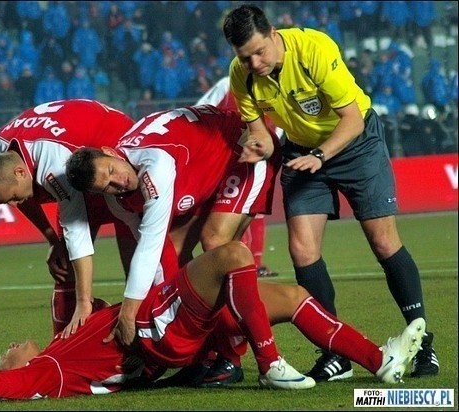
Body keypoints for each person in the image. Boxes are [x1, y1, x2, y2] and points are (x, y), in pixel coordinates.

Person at [221, 4, 439, 381]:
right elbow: (262, 137)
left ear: (274, 34)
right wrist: (255, 147)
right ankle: (335, 352)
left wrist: (321, 156)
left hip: (356, 145)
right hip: (303, 153)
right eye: (245, 56)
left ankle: (423, 344)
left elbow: (352, 120)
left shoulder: (315, 50)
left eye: (260, 51)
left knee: (383, 241)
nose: (254, 63)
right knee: (302, 250)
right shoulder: (241, 77)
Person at [0, 241, 426, 402]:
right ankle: (270, 363)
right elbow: (2, 385)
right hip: (158, 330)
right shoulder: (51, 369)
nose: (12, 343)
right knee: (232, 254)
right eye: (8, 351)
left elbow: (80, 308)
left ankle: (380, 364)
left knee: (293, 295)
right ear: (13, 366)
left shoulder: (62, 349)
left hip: (169, 333)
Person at [65, 104, 280, 350]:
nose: (119, 182)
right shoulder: (118, 201)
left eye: (112, 171)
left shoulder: (156, 164)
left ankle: (244, 350)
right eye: (108, 187)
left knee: (215, 243)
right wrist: (164, 313)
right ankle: (208, 344)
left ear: (110, 152)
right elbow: (159, 254)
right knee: (176, 256)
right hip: (205, 167)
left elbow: (150, 246)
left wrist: (129, 312)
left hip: (243, 148)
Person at [0, 99, 137, 337]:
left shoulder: (55, 164)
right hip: (79, 162)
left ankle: (145, 341)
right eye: (5, 201)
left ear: (20, 173)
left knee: (134, 263)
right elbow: (24, 199)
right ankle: (62, 347)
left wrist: (84, 302)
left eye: (14, 197)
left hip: (114, 159)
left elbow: (76, 231)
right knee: (63, 266)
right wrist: (52, 240)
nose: (13, 205)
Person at [196, 76, 279, 277]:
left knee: (253, 210)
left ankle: (253, 264)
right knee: (226, 213)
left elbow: (282, 123)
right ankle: (233, 265)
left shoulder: (277, 87)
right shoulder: (228, 83)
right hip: (223, 156)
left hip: (260, 155)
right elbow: (200, 109)